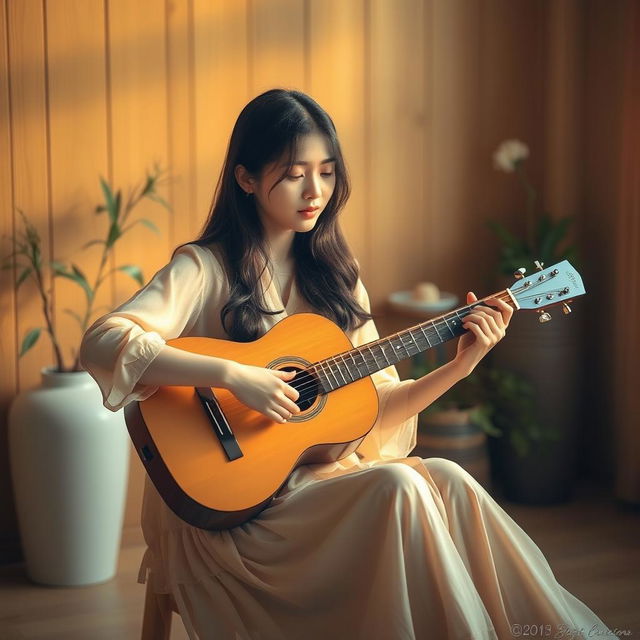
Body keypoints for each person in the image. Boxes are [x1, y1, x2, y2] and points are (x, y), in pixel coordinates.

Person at [80, 89, 610, 640]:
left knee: (450, 479)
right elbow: (103, 341)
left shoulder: (335, 274)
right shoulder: (205, 267)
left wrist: (461, 366)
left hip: (321, 483)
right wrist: (234, 375)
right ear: (246, 179)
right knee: (401, 492)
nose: (316, 192)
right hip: (239, 509)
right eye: (294, 175)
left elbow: (376, 408)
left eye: (327, 172)